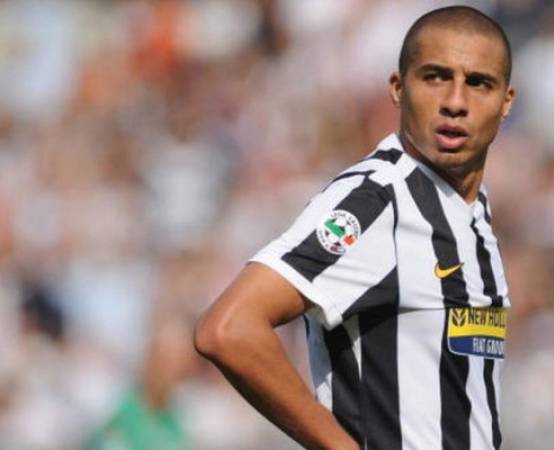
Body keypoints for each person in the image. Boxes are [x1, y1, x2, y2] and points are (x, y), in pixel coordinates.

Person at [195, 5, 516, 450]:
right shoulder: (376, 201)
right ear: (398, 89)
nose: (456, 102)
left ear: (506, 103)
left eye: (478, 83)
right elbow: (229, 329)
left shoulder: (471, 208)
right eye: (435, 77)